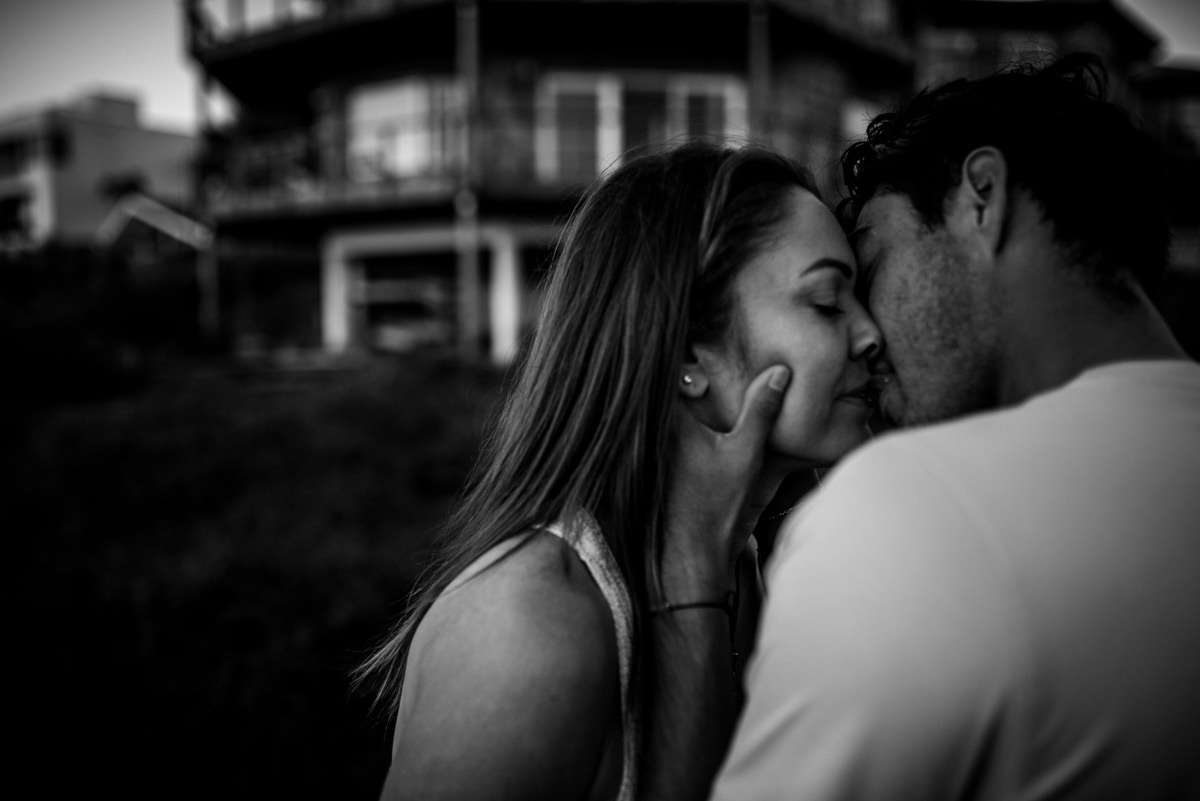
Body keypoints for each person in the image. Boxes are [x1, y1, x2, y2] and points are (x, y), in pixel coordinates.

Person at [647, 52, 1200, 801]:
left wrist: (689, 577)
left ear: (983, 196)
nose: (867, 335)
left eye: (871, 270)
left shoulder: (914, 505)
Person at [353, 139, 884, 801]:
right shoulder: (529, 627)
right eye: (829, 302)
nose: (871, 334)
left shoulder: (741, 568)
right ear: (689, 352)